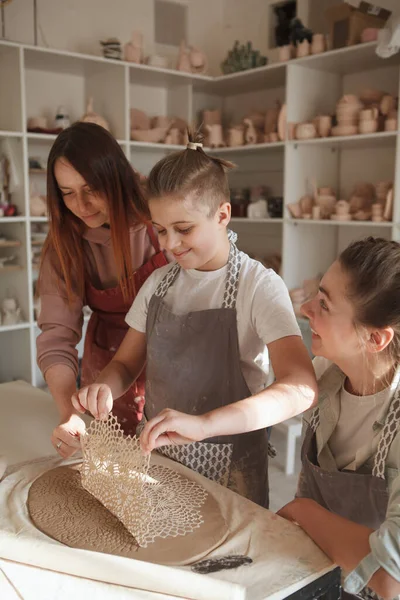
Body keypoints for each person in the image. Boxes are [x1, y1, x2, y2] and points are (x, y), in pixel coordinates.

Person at [72, 135, 317, 508]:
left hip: (230, 467)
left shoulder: (259, 286)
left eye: (183, 229)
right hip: (161, 457)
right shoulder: (159, 283)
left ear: (222, 214)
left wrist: (205, 424)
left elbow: (301, 387)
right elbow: (125, 363)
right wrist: (105, 385)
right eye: (160, 229)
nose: (170, 244)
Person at [275, 237, 400, 600]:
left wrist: (304, 511)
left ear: (375, 338)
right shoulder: (325, 377)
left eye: (324, 304)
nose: (305, 308)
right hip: (323, 576)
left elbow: (391, 578)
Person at [37, 122, 168, 458]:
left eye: (91, 188)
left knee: (170, 467)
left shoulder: (159, 222)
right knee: (115, 464)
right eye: (67, 193)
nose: (80, 205)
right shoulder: (65, 244)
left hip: (169, 355)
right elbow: (57, 336)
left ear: (116, 177)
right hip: (108, 364)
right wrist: (70, 415)